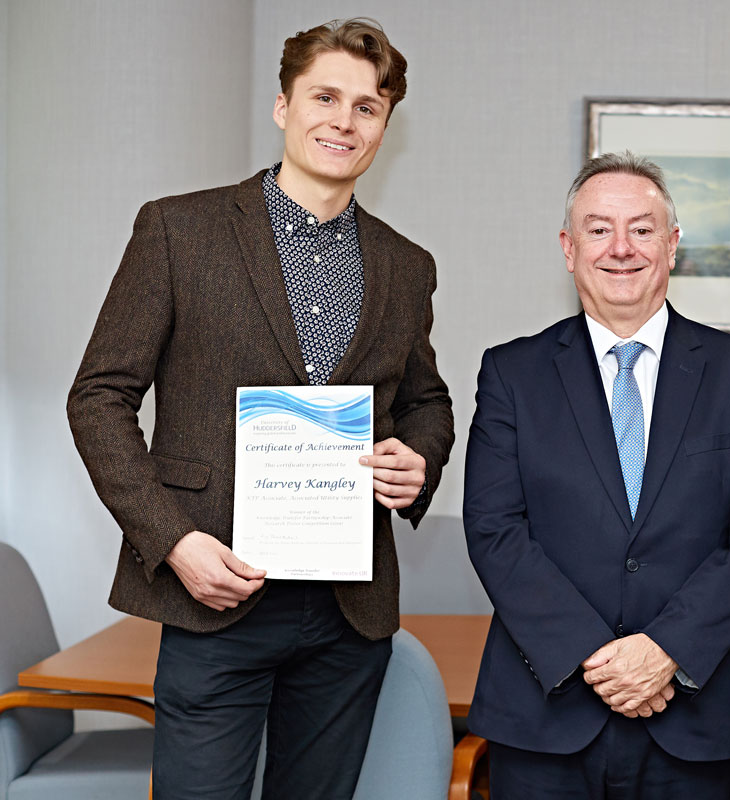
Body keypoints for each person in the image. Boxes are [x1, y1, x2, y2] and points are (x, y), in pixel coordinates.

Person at [66, 18, 453, 800]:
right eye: (325, 96)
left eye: (368, 106)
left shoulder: (407, 266)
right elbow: (99, 398)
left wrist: (419, 457)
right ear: (283, 106)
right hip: (216, 596)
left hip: (349, 614)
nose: (344, 121)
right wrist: (173, 541)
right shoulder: (179, 230)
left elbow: (427, 402)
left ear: (384, 126)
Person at [462, 152, 730, 798]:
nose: (621, 249)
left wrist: (664, 650)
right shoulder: (513, 374)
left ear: (672, 246)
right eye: (598, 229)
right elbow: (494, 529)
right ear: (568, 248)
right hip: (546, 709)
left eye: (642, 230)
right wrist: (599, 659)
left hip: (694, 715)